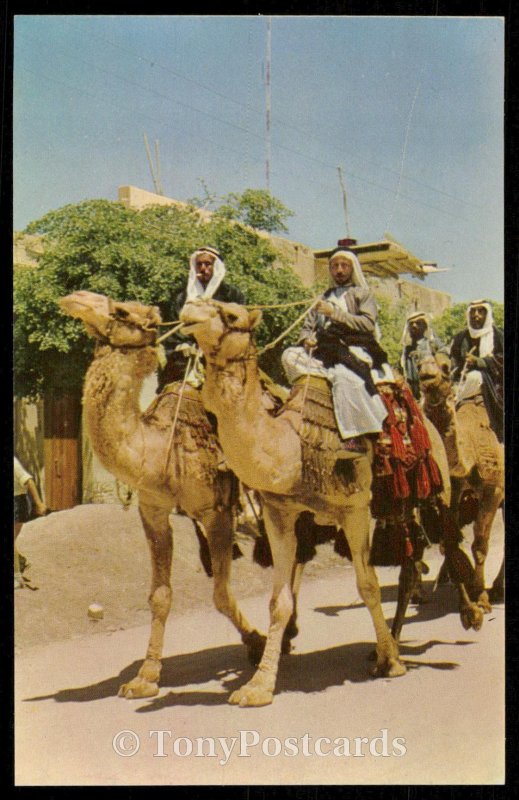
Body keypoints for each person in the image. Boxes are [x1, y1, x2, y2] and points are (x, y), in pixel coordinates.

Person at [282, 247, 391, 447]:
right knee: (289, 355)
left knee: (343, 378)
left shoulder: (363, 294)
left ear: (352, 269)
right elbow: (307, 328)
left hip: (353, 348)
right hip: (324, 350)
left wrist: (334, 313)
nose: (339, 270)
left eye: (344, 266)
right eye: (334, 266)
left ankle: (355, 436)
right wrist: (307, 340)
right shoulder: (322, 297)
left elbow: (367, 324)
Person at [157, 246, 246, 392]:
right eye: (199, 264)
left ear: (216, 267)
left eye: (207, 264)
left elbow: (239, 328)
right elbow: (174, 329)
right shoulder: (182, 297)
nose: (203, 268)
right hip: (186, 354)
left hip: (221, 354)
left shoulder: (233, 296)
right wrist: (184, 344)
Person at [450, 299, 503, 442]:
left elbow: (502, 360)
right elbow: (453, 360)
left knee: (475, 376)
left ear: (487, 314)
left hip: (492, 382)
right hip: (461, 380)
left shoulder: (498, 336)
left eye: (481, 311)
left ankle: (456, 402)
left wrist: (480, 361)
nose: (476, 316)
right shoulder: (461, 337)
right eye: (473, 312)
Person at [14, 456, 48, 589]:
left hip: (17, 502)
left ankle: (17, 578)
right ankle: (21, 562)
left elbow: (28, 480)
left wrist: (39, 503)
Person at [400, 311, 446, 399]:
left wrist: (422, 355)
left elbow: (446, 355)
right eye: (411, 324)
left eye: (418, 323)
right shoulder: (406, 350)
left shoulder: (433, 344)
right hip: (413, 393)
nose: (414, 326)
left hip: (432, 392)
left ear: (425, 326)